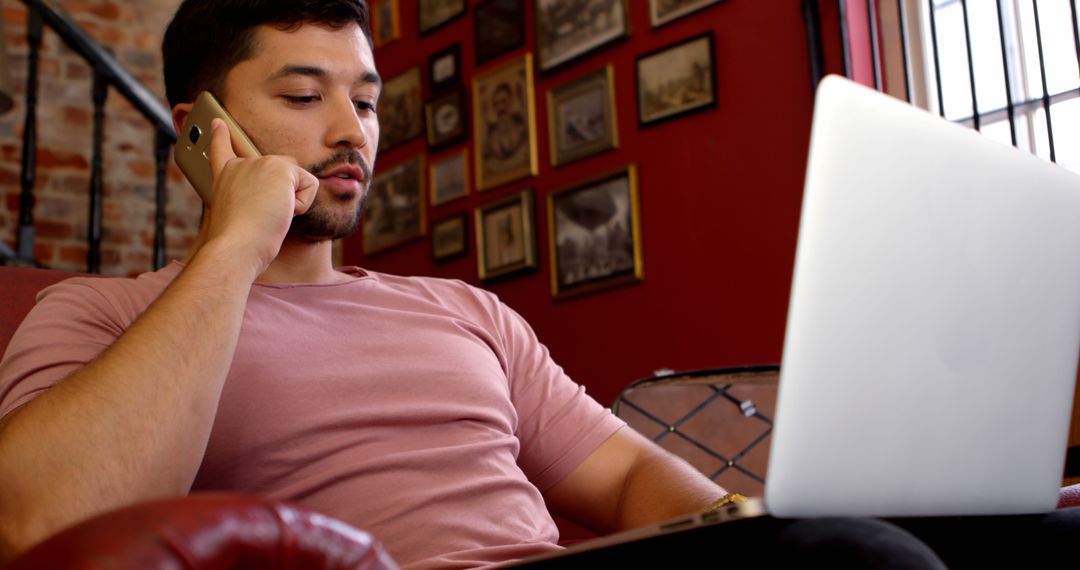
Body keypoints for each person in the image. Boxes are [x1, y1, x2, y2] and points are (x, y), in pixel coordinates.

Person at [0, 1, 1073, 568]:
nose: (349, 133)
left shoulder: (462, 311)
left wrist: (749, 530)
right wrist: (235, 246)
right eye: (302, 94)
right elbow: (43, 523)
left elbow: (627, 484)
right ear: (197, 132)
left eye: (367, 102)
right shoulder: (101, 315)